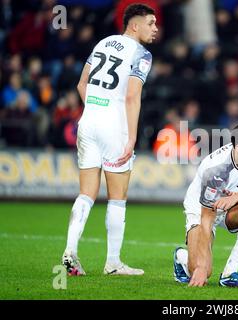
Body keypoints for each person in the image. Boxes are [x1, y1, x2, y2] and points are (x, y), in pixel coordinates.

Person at [61, 4, 158, 276]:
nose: (155, 28)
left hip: (88, 123)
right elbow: (131, 96)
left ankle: (70, 250)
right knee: (118, 197)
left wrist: (94, 107)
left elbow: (82, 84)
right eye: (151, 23)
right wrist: (132, 138)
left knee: (86, 193)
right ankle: (113, 263)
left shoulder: (102, 43)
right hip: (114, 128)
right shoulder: (142, 54)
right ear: (134, 25)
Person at [173, 123, 238, 288]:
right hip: (201, 209)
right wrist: (200, 268)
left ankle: (229, 274)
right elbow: (206, 218)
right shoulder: (216, 170)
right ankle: (181, 257)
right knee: (202, 271)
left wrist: (237, 197)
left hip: (230, 205)